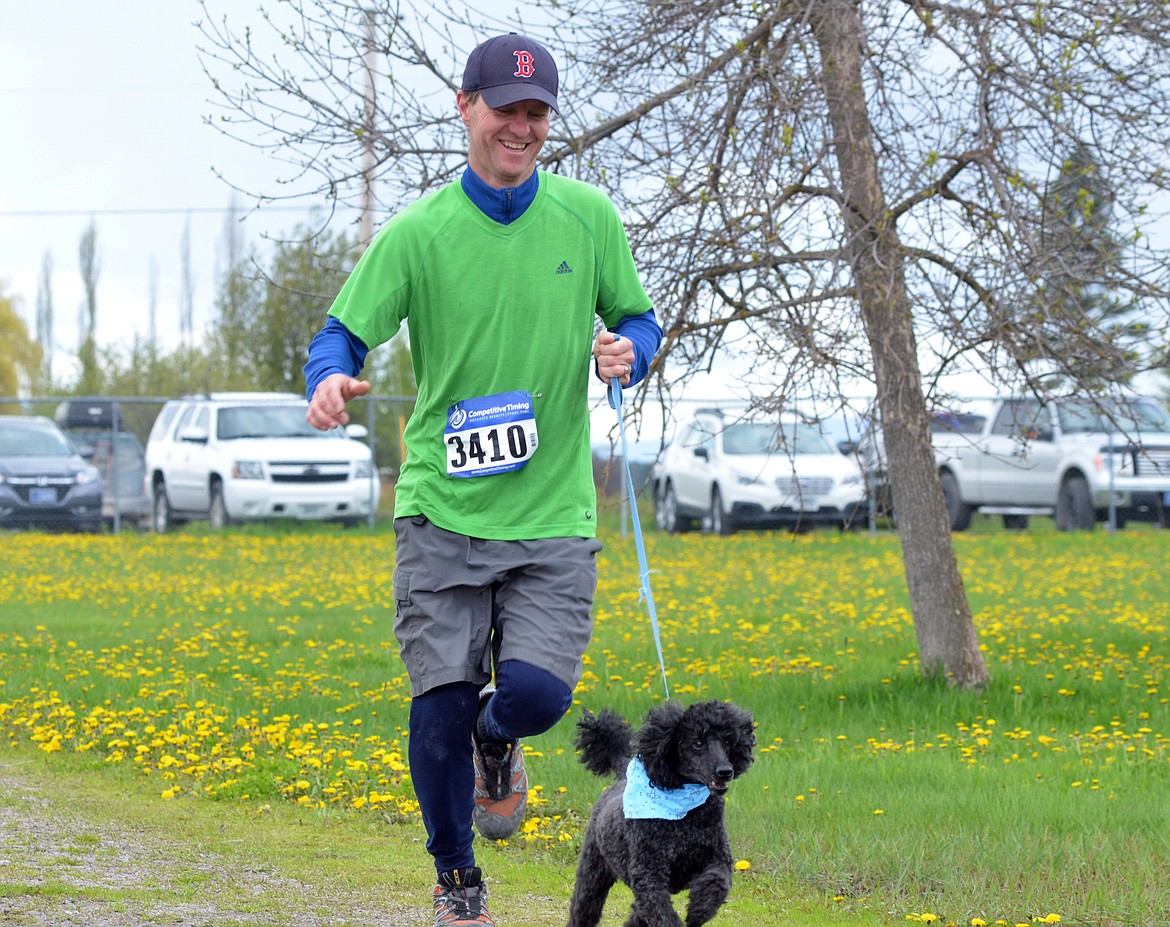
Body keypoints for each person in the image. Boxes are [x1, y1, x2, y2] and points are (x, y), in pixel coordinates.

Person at [302, 32, 662, 927]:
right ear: (466, 109)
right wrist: (328, 379)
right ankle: (457, 877)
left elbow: (637, 319)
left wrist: (631, 351)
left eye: (537, 112)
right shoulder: (420, 234)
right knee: (439, 705)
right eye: (506, 108)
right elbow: (342, 332)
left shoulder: (588, 218)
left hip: (549, 512)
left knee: (535, 696)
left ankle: (497, 746)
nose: (522, 126)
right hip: (443, 510)